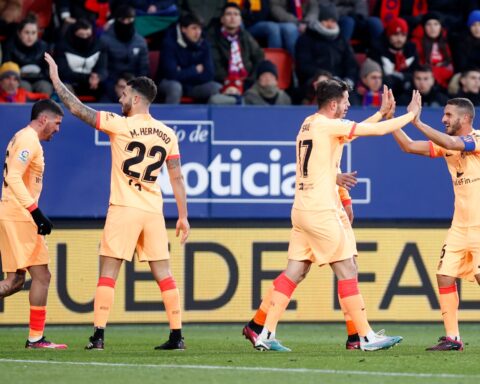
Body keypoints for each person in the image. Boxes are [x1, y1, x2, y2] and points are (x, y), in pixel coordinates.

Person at [243, 79, 421, 352]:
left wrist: (380, 114)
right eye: (347, 101)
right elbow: (375, 132)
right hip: (320, 210)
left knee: (295, 271)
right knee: (347, 268)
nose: (350, 105)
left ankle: (265, 332)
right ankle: (364, 336)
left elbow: (352, 133)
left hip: (302, 209)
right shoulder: (327, 125)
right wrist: (410, 115)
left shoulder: (310, 123)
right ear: (334, 103)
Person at [45, 52, 190, 350]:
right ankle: (177, 335)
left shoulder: (119, 124)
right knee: (165, 275)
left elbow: (76, 108)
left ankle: (98, 335)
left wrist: (57, 81)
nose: (120, 98)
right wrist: (184, 216)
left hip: (124, 207)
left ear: (136, 99)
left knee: (108, 273)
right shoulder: (167, 133)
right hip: (153, 211)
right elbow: (176, 177)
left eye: (124, 94)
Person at [391, 97, 480, 351]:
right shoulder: (447, 146)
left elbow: (453, 142)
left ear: (465, 118)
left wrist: (417, 121)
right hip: (460, 226)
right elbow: (408, 146)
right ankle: (453, 338)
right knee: (444, 275)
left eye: (448, 115)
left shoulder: (477, 139)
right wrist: (392, 121)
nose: (443, 119)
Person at [0, 99, 66, 349]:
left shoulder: (23, 137)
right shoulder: (29, 140)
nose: (58, 129)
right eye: (57, 123)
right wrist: (35, 212)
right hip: (19, 216)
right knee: (41, 276)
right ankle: (36, 338)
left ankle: (36, 338)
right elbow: (13, 176)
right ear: (43, 120)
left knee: (15, 281)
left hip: (14, 213)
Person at [207, 2, 264, 105]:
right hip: (222, 82)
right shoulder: (213, 37)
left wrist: (249, 80)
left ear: (240, 19)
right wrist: (232, 83)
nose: (232, 17)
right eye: (229, 14)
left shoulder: (245, 36)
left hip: (246, 82)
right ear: (222, 19)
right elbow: (215, 64)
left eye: (236, 14)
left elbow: (259, 57)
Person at [158, 13, 221, 104]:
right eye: (194, 28)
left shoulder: (204, 44)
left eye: (199, 28)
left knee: (216, 88)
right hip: (168, 83)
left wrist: (182, 72)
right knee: (175, 87)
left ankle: (207, 117)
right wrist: (195, 70)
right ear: (183, 29)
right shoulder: (169, 43)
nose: (198, 32)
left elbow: (209, 74)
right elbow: (171, 75)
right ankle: (171, 117)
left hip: (194, 86)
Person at [54, 18, 108, 101]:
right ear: (74, 34)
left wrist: (98, 77)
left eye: (88, 35)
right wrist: (87, 78)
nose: (85, 38)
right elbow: (63, 72)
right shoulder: (62, 47)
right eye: (81, 35)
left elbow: (103, 68)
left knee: (108, 87)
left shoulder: (99, 46)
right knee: (64, 89)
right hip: (71, 83)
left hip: (92, 84)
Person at [3, 14, 52, 95]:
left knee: (45, 87)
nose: (30, 37)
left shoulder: (44, 47)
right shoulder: (10, 46)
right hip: (19, 80)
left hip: (40, 79)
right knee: (24, 87)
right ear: (19, 33)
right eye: (26, 32)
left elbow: (48, 70)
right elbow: (7, 69)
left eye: (33, 33)